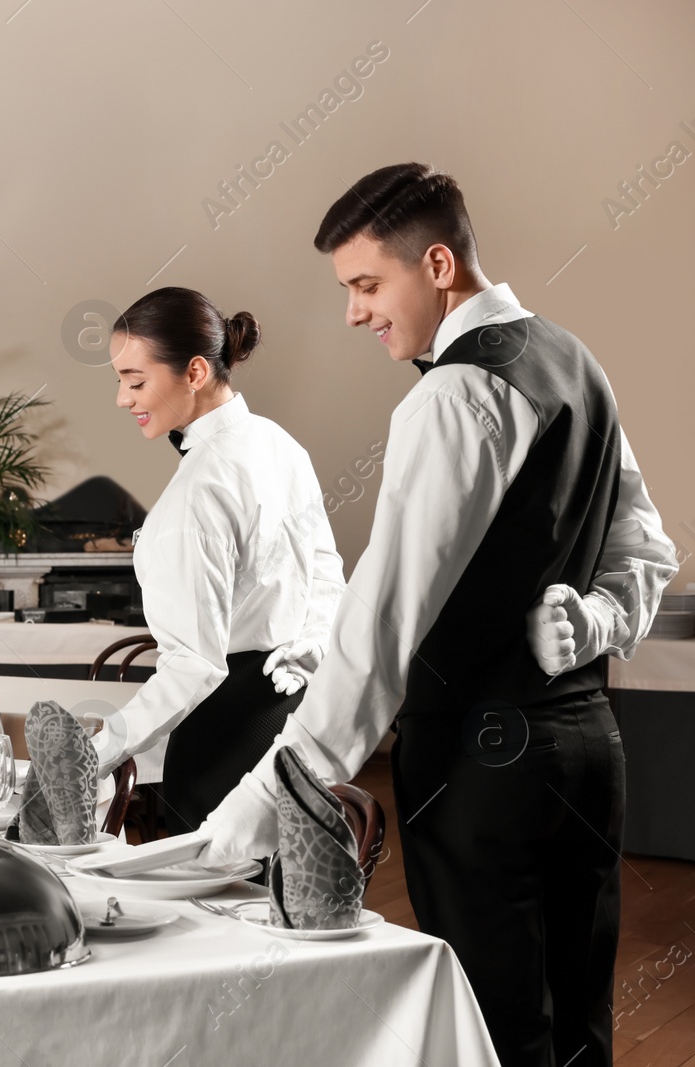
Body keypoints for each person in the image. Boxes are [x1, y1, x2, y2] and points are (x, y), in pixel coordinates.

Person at [197, 163, 677, 1067]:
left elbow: (383, 619)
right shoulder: (576, 360)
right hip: (588, 750)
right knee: (578, 1028)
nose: (354, 312)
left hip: (483, 770)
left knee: (496, 1032)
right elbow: (646, 553)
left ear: (441, 264)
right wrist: (596, 620)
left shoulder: (453, 395)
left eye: (367, 285)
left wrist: (277, 791)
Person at [92, 287, 345, 835]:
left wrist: (96, 753)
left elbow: (194, 666)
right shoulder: (281, 444)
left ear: (196, 372)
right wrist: (317, 639)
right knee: (278, 901)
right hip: (289, 712)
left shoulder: (200, 489)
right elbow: (327, 567)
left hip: (222, 736)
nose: (122, 398)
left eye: (135, 381)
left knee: (209, 910)